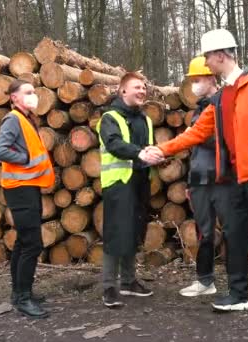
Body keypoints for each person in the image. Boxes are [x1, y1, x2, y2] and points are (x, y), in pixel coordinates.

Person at [144, 29, 248, 333]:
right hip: (233, 180)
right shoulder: (222, 97)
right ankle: (239, 295)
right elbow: (196, 133)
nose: (205, 63)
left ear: (220, 56)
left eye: (207, 57)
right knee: (235, 236)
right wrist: (161, 149)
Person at [97, 71, 161, 308]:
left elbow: (148, 147)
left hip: (140, 183)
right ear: (122, 90)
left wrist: (157, 154)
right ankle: (108, 287)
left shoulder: (146, 120)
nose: (142, 91)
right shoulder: (109, 118)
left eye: (144, 87)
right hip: (118, 184)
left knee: (134, 232)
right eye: (137, 87)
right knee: (116, 234)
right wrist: (139, 153)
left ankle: (128, 282)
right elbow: (114, 144)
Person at [0, 80, 55, 319]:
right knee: (32, 243)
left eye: (34, 91)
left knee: (23, 241)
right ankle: (23, 298)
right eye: (28, 92)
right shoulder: (13, 119)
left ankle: (19, 292)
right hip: (20, 188)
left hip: (28, 187)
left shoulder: (26, 119)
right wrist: (25, 158)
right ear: (14, 98)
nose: (33, 96)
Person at [178, 56, 226, 297]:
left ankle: (238, 285)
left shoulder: (223, 104)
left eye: (197, 79)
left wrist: (197, 135)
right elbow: (194, 151)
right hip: (199, 179)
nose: (193, 84)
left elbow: (226, 141)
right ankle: (205, 281)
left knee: (230, 229)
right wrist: (189, 181)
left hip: (220, 177)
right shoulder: (199, 109)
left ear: (210, 77)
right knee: (204, 232)